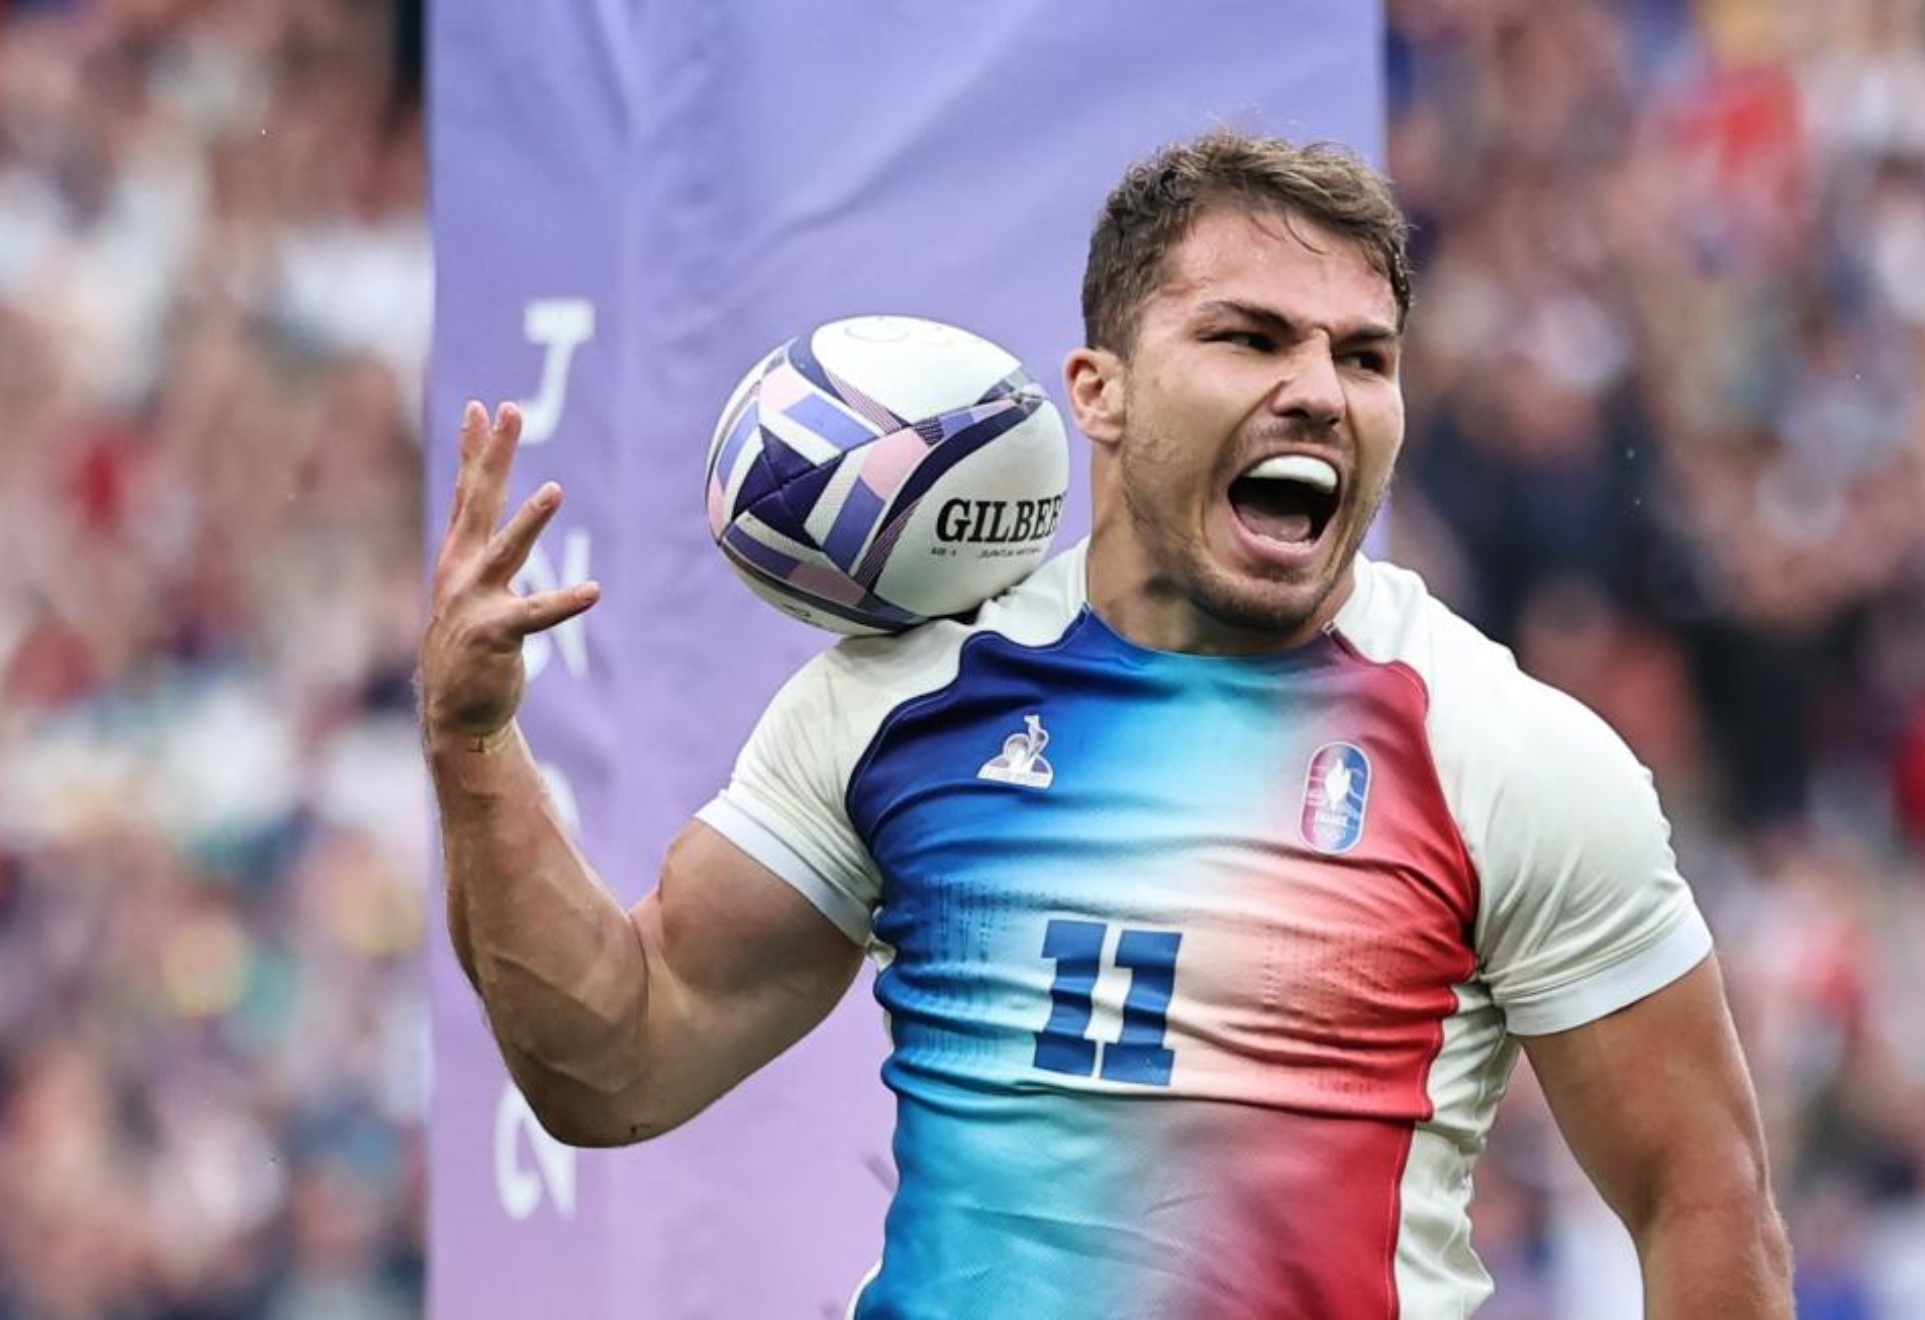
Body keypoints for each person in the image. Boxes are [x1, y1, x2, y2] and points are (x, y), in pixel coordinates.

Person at [419, 130, 1793, 1318]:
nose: (1318, 386)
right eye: (1249, 336)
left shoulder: (1508, 752)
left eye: (1363, 355)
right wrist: (474, 746)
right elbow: (616, 1063)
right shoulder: (903, 699)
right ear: (1099, 392)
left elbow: (1703, 1200)